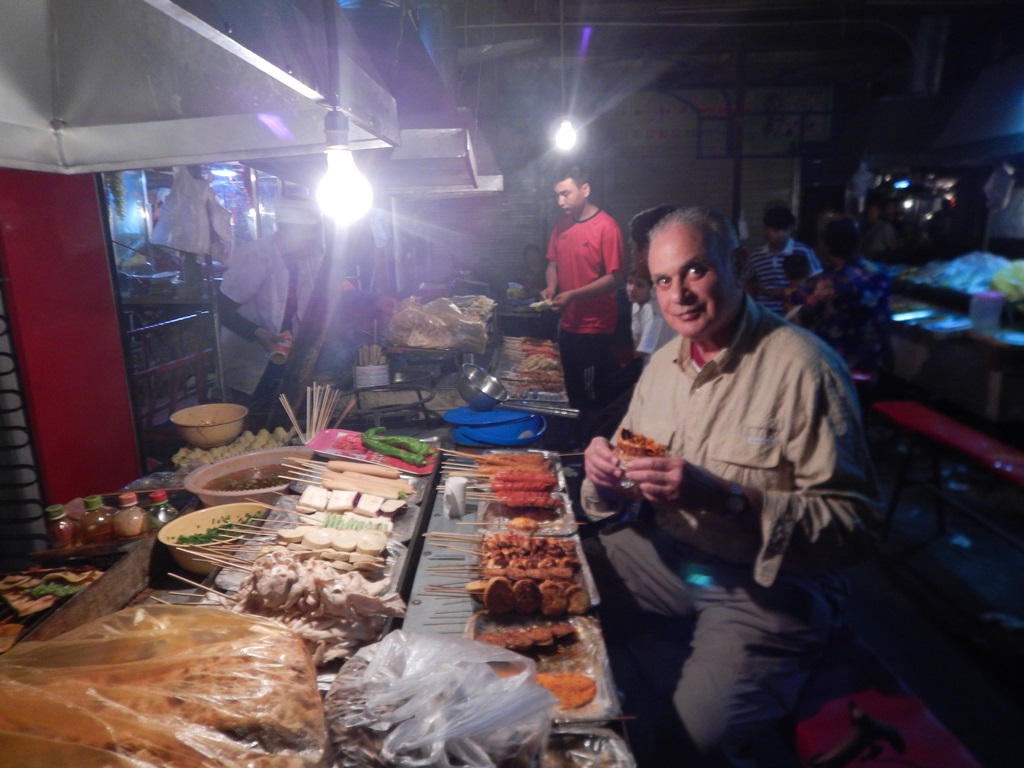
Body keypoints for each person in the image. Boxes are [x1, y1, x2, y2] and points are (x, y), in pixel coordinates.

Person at [581, 207, 880, 766]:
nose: (680, 295)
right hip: (669, 557)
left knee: (686, 748)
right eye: (665, 280)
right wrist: (608, 479)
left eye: (696, 271)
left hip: (768, 588)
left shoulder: (804, 368)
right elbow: (625, 471)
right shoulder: (665, 364)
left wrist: (724, 497)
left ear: (738, 265)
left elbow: (857, 529)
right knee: (562, 585)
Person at [217, 196, 323, 419]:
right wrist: (259, 333)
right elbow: (222, 310)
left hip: (283, 352)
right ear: (291, 232)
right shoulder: (254, 255)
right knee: (250, 418)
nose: (314, 242)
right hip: (249, 356)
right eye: (310, 235)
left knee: (279, 418)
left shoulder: (304, 259)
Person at [540, 164, 626, 417]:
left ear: (585, 189)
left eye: (565, 193)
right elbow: (552, 263)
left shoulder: (607, 227)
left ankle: (592, 445)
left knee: (593, 395)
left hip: (594, 328)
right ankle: (578, 442)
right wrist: (551, 286)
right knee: (573, 390)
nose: (560, 201)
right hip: (568, 323)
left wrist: (573, 294)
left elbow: (616, 277)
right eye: (557, 195)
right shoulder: (562, 225)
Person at [796, 216, 892, 374]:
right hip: (874, 357)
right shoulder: (880, 270)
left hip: (839, 362)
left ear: (827, 248)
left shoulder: (831, 282)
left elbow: (806, 316)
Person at [744, 205, 822, 315]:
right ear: (765, 231)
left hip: (795, 316)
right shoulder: (755, 256)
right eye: (776, 230)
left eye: (785, 230)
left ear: (791, 230)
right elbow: (748, 282)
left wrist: (790, 292)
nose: (781, 234)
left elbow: (816, 279)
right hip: (764, 315)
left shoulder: (803, 250)